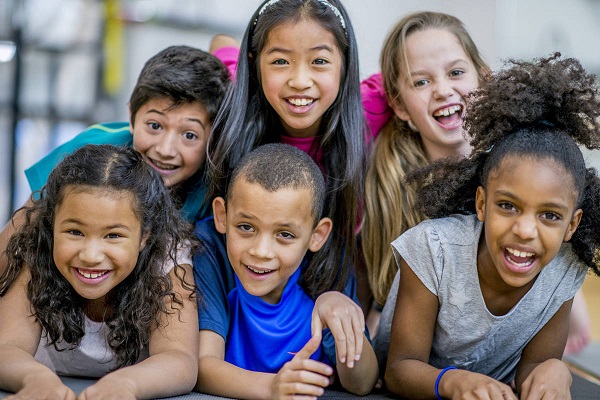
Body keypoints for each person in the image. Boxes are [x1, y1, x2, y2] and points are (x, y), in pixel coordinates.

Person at [379, 53, 600, 400]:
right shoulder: (434, 248)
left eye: (550, 216)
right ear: (482, 204)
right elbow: (399, 368)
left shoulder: (565, 267)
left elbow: (534, 366)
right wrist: (454, 382)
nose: (526, 230)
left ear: (572, 224)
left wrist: (554, 370)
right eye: (508, 206)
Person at [0, 45, 231, 274]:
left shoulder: (213, 185)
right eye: (154, 126)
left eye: (189, 135)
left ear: (214, 139)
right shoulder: (91, 151)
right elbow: (14, 240)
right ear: (131, 117)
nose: (165, 149)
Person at [206, 0, 382, 300]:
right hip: (242, 290)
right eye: (280, 61)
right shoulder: (239, 94)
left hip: (330, 286)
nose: (300, 81)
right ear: (254, 63)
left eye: (320, 61)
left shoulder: (368, 108)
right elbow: (221, 43)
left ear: (345, 65)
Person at [0, 144, 199, 399]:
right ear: (52, 227)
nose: (91, 256)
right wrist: (35, 379)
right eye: (75, 232)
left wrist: (127, 384)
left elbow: (180, 359)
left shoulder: (167, 259)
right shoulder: (38, 250)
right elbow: (6, 347)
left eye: (113, 235)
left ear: (144, 237)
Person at [193, 143, 379, 399]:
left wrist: (338, 310)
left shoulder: (330, 260)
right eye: (246, 227)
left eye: (285, 234)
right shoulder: (209, 249)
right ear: (222, 216)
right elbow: (202, 366)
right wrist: (272, 388)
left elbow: (362, 383)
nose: (261, 251)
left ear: (317, 235)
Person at [361, 11, 490, 336]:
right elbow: (380, 296)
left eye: (456, 72)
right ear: (400, 106)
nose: (443, 90)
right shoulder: (387, 187)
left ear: (484, 79)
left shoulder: (518, 167)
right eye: (421, 81)